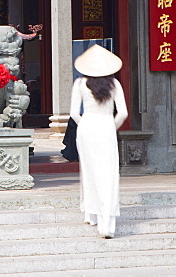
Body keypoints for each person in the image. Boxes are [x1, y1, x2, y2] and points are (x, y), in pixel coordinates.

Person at [69, 44, 128, 239]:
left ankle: (91, 214)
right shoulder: (114, 85)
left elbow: (73, 114)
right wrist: (111, 126)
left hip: (87, 127)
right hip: (106, 126)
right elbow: (123, 113)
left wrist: (85, 124)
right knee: (108, 173)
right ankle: (107, 224)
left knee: (89, 170)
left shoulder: (79, 84)